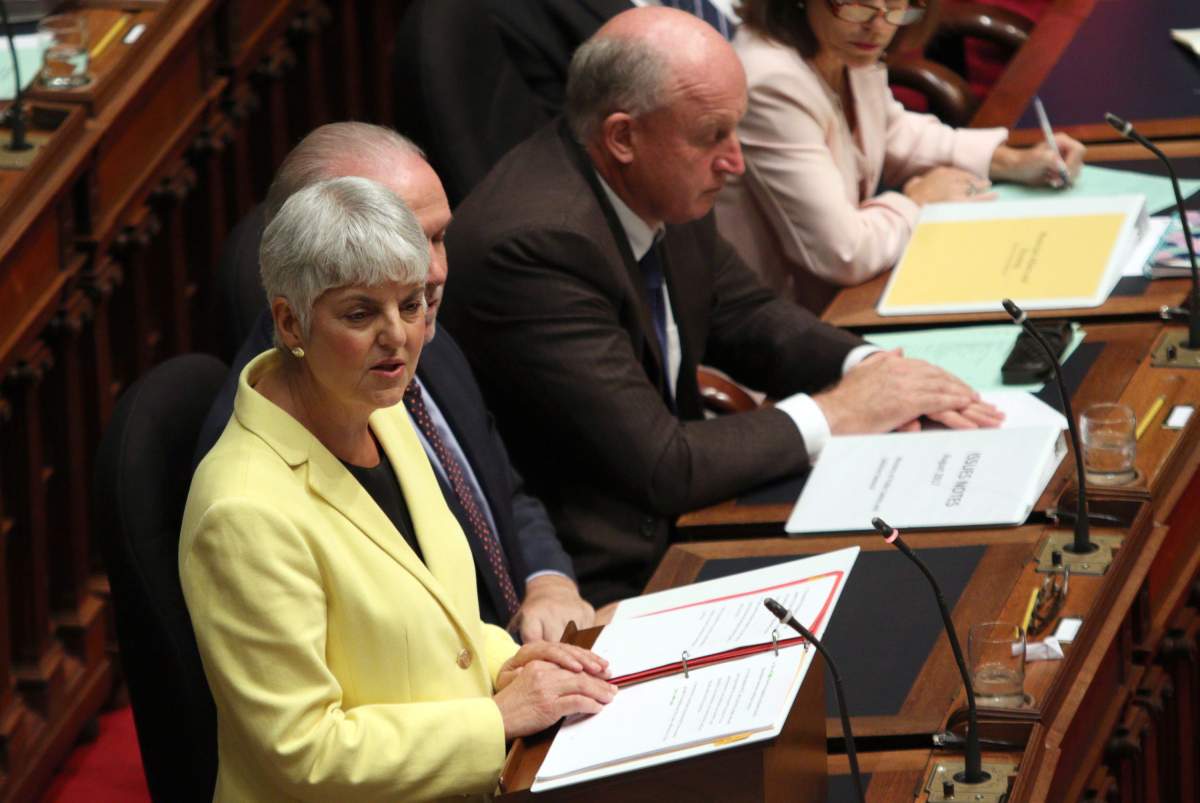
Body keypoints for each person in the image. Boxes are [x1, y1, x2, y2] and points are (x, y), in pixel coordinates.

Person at [442, 6, 1002, 605]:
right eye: (714, 135)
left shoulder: (654, 176)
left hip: (694, 507)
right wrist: (840, 411)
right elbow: (663, 465)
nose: (734, 161)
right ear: (623, 136)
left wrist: (870, 370)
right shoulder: (538, 246)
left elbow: (747, 314)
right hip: (616, 569)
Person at [181, 176, 615, 801]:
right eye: (361, 313)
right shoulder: (242, 511)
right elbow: (302, 754)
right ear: (290, 322)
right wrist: (497, 717)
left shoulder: (379, 407)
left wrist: (511, 663)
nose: (399, 337)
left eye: (410, 305)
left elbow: (440, 614)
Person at [195, 123, 595, 642]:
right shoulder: (300, 432)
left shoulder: (422, 336)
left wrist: (549, 582)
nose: (431, 273)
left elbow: (502, 489)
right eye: (399, 241)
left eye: (437, 238)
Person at [715, 0, 1086, 311]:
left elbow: (891, 132)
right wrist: (917, 202)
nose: (878, 27)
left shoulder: (839, 42)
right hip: (788, 329)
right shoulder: (770, 81)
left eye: (896, 8)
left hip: (843, 300)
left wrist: (1010, 162)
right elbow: (845, 251)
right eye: (859, 7)